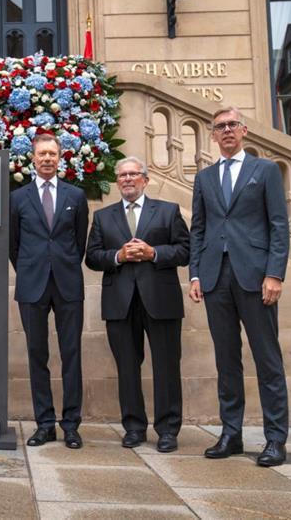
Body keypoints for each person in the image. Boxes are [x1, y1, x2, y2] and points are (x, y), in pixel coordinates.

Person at [189, 106, 290, 467]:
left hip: (256, 277)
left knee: (267, 360)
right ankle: (231, 433)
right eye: (220, 127)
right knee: (226, 360)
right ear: (213, 135)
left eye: (232, 125)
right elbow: (198, 230)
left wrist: (275, 273)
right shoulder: (204, 178)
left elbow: (279, 225)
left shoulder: (264, 170)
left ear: (244, 131)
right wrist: (196, 275)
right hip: (216, 278)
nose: (227, 131)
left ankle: (275, 439)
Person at [85, 156, 189, 453]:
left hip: (161, 300)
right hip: (120, 302)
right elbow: (92, 257)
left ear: (145, 179)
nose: (128, 179)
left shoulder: (168, 212)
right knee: (127, 367)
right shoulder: (103, 217)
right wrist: (118, 256)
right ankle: (133, 427)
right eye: (122, 175)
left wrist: (153, 252)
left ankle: (168, 430)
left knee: (167, 367)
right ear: (117, 182)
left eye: (133, 174)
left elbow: (185, 250)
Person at [10, 133, 89, 449]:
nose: (47, 159)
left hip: (68, 284)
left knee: (71, 355)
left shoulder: (76, 196)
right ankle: (45, 423)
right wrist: (31, 267)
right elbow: (12, 245)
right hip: (32, 285)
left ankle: (71, 424)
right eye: (41, 154)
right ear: (33, 157)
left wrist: (63, 264)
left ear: (60, 158)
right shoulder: (18, 198)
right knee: (36, 354)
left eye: (52, 154)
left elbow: (79, 240)